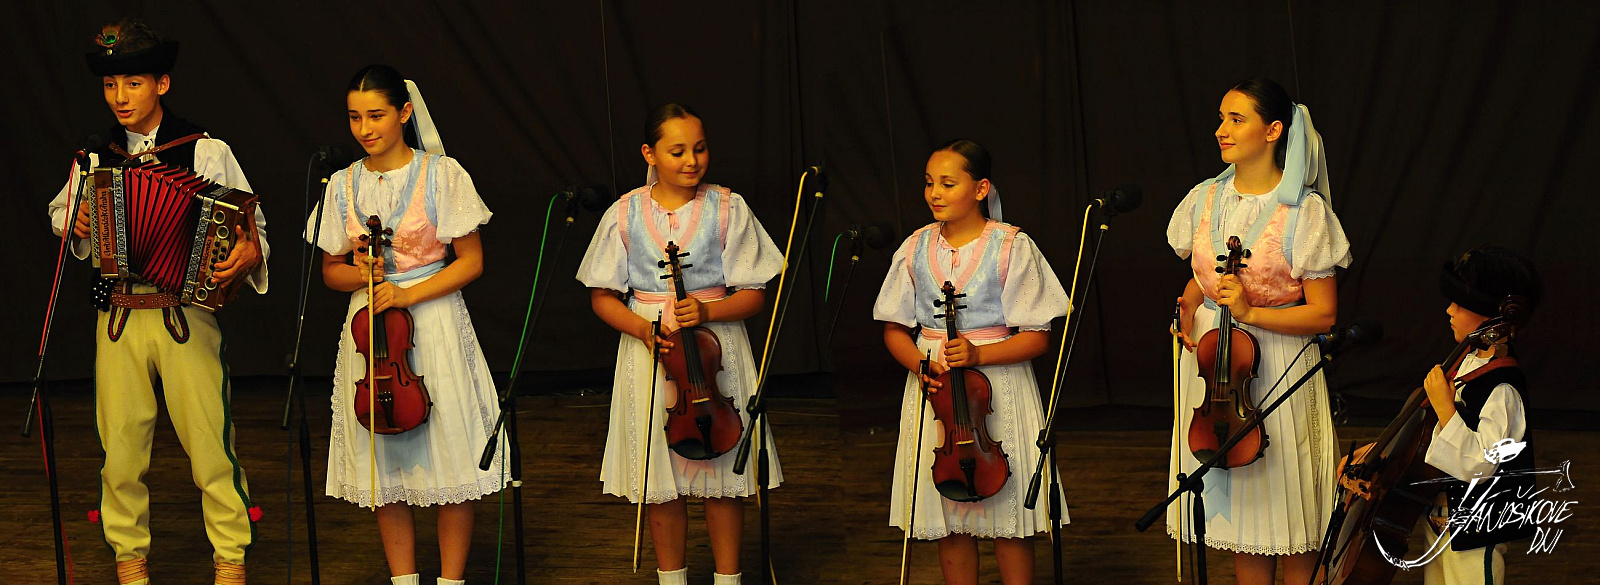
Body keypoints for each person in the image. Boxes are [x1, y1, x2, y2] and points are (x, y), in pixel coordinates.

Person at [45, 19, 268, 585]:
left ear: (161, 84)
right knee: (120, 450)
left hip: (183, 314)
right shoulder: (95, 156)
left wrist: (249, 252)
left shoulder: (204, 149)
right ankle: (129, 558)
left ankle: (230, 559)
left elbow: (254, 228)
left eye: (133, 83)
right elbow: (60, 213)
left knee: (211, 445)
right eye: (110, 85)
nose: (119, 97)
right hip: (118, 315)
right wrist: (77, 221)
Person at [305, 64, 506, 585]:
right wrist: (361, 273)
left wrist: (407, 293)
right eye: (355, 117)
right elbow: (330, 271)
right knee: (385, 461)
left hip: (433, 320)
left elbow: (471, 261)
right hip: (371, 332)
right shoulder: (342, 184)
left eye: (376, 115)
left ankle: (451, 580)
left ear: (404, 113)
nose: (364, 128)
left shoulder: (442, 174)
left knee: (450, 457)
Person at [576, 103, 783, 585]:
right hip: (651, 349)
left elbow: (755, 294)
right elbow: (602, 297)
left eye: (700, 149)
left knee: (722, 476)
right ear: (649, 153)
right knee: (661, 480)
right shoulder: (624, 212)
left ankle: (728, 578)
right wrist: (641, 328)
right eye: (677, 151)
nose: (692, 160)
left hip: (716, 346)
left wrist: (709, 311)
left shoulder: (728, 207)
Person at [1166, 78, 1352, 585]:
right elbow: (1206, 273)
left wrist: (1250, 313)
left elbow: (1324, 315)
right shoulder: (1205, 198)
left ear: (1273, 131)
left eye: (1236, 119)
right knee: (1245, 517)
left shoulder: (1303, 211)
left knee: (1288, 509)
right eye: (1221, 118)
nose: (1221, 129)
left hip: (1278, 361)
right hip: (1216, 361)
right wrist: (1191, 299)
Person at [874, 139, 1071, 585]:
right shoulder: (914, 247)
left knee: (1009, 518)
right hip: (937, 390)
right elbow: (894, 329)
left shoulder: (1011, 246)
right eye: (929, 183)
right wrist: (920, 365)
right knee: (950, 514)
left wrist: (979, 354)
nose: (934, 193)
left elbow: (1037, 338)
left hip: (1000, 386)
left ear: (981, 188)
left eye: (948, 183)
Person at [1341, 246, 1542, 585]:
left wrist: (1445, 407)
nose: (1449, 309)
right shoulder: (1468, 359)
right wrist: (1379, 452)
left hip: (1476, 533)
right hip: (1440, 523)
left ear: (1493, 315)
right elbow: (1425, 435)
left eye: (1459, 304)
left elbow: (1480, 465)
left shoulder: (1503, 386)